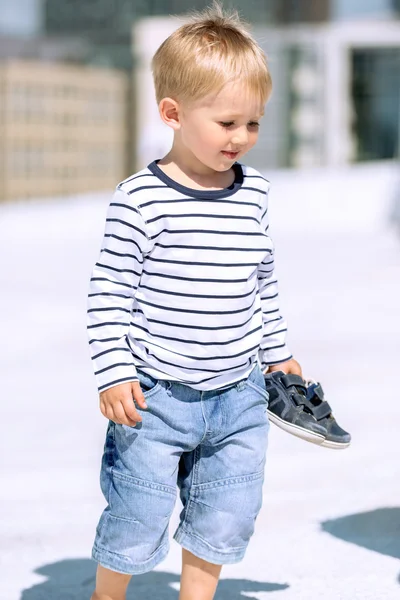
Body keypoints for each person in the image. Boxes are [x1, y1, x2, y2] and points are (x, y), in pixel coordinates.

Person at [87, 3, 302, 599]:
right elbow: (109, 293)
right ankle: (108, 595)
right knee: (138, 514)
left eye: (253, 124)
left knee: (227, 509)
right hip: (155, 396)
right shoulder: (139, 200)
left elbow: (262, 279)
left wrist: (278, 353)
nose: (242, 138)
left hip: (239, 392)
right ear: (173, 114)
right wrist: (113, 371)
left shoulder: (253, 192)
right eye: (228, 122)